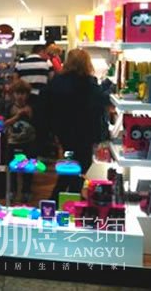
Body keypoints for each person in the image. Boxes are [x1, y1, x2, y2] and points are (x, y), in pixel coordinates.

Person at [46, 49, 110, 199]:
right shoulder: (89, 83)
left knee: (70, 165)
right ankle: (70, 200)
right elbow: (99, 104)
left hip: (64, 133)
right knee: (81, 166)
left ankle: (58, 200)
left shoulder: (58, 82)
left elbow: (49, 106)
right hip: (85, 134)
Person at [15, 44, 54, 157]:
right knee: (40, 125)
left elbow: (16, 82)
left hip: (25, 98)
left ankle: (25, 149)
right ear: (41, 52)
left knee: (25, 123)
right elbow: (51, 80)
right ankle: (38, 151)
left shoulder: (20, 63)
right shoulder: (47, 63)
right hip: (41, 99)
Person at [4, 79, 36, 202]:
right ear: (13, 94)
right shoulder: (9, 107)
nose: (20, 96)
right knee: (12, 168)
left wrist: (29, 114)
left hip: (29, 143)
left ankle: (26, 191)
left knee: (28, 168)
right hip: (12, 142)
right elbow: (4, 123)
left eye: (23, 93)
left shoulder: (31, 107)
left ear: (27, 95)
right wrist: (17, 116)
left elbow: (36, 122)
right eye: (17, 93)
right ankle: (12, 190)